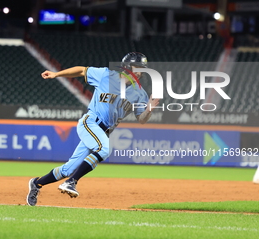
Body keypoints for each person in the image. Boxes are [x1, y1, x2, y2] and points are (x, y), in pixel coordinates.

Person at [26, 52, 160, 206]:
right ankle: (72, 182)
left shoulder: (140, 94)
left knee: (67, 169)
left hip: (103, 132)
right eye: (139, 67)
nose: (141, 71)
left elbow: (141, 119)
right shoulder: (106, 75)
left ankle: (37, 184)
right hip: (90, 122)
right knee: (104, 149)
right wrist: (57, 74)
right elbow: (81, 70)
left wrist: (150, 108)